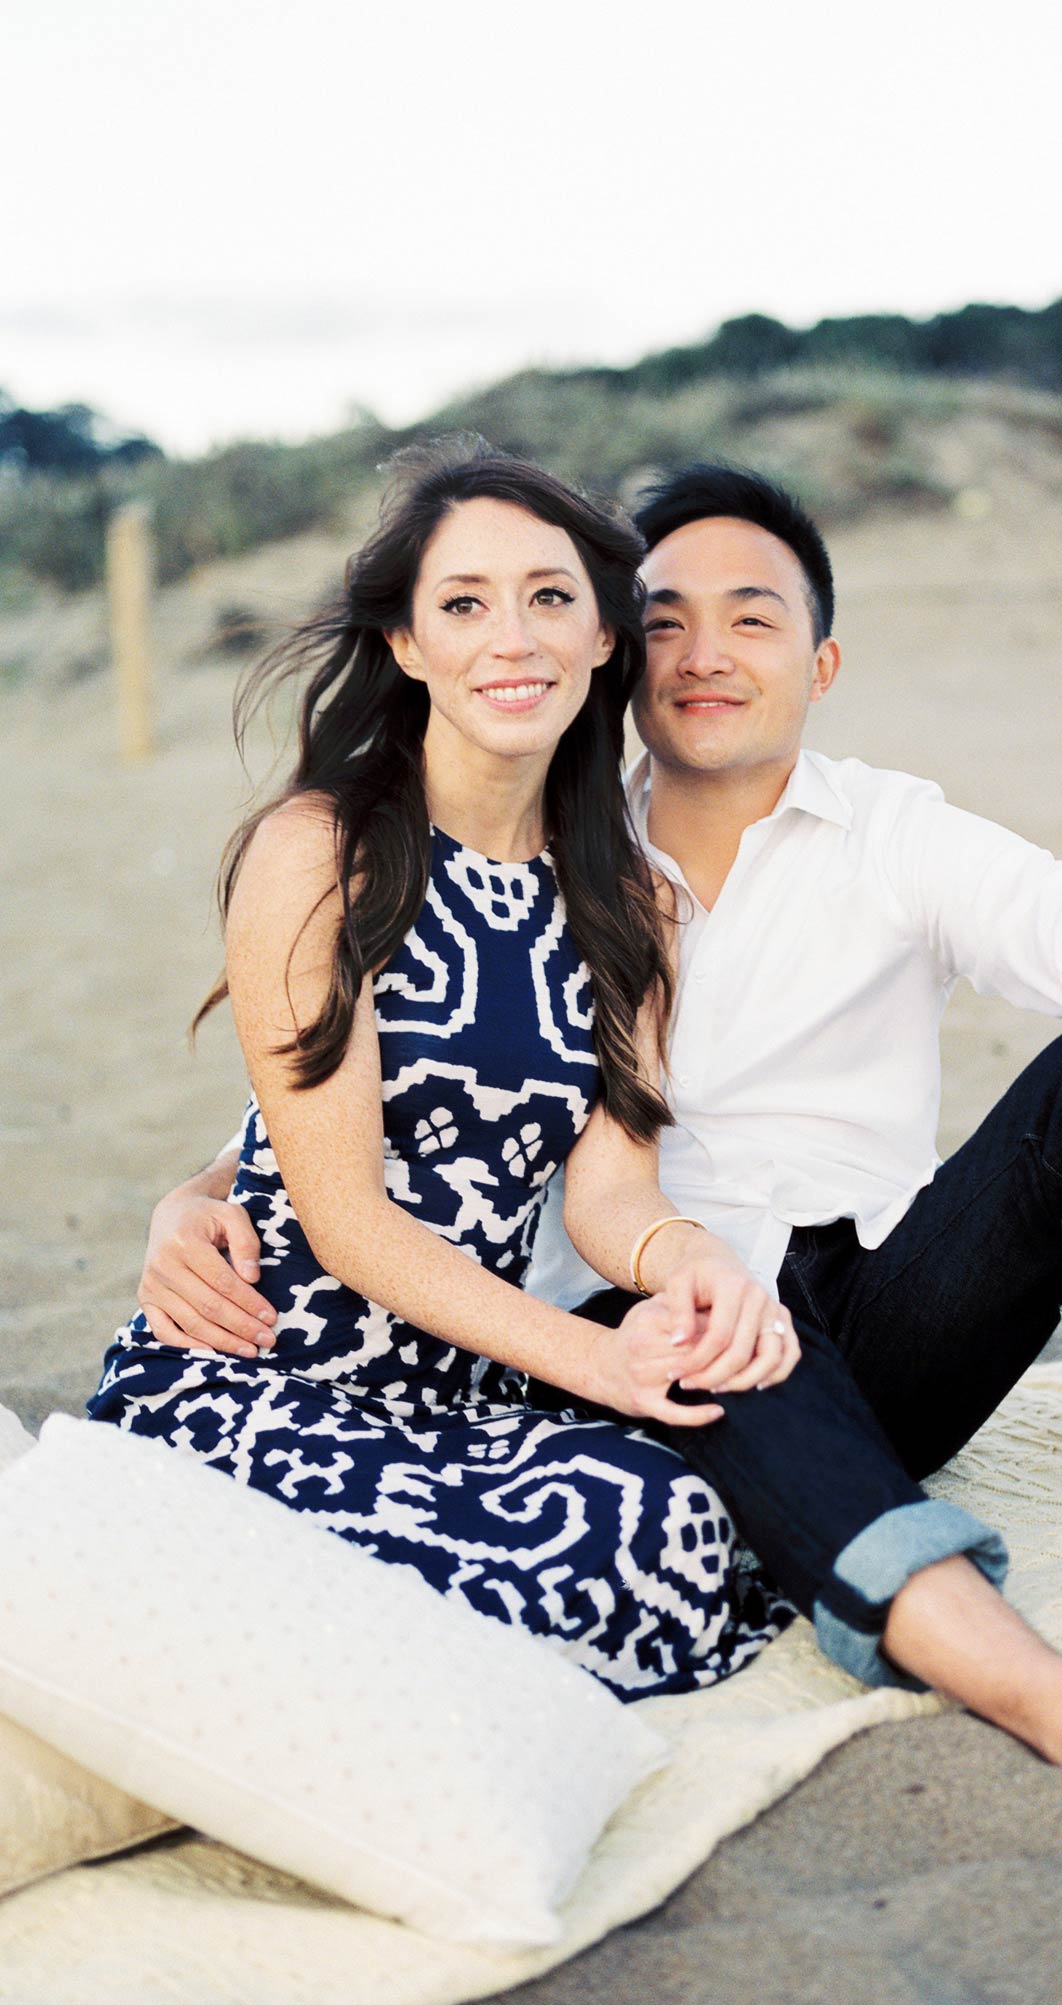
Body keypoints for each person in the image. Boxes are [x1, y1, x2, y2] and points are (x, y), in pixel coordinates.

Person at [144, 462, 1062, 1831]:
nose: (703, 656)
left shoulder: (751, 865)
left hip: (832, 1311)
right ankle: (1056, 1699)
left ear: (818, 661)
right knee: (716, 1354)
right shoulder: (472, 850)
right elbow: (364, 1143)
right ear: (615, 653)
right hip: (609, 1338)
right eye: (667, 620)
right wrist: (194, 1192)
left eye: (750, 620)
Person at [88, 445, 801, 1699]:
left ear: (601, 639)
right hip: (262, 1371)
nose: (508, 640)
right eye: (463, 603)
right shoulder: (322, 851)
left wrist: (692, 1264)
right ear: (409, 644)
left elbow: (609, 1195)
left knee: (671, 1521)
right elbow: (345, 1217)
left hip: (458, 1394)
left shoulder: (629, 901)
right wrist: (599, 1364)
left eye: (547, 597)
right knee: (595, 1552)